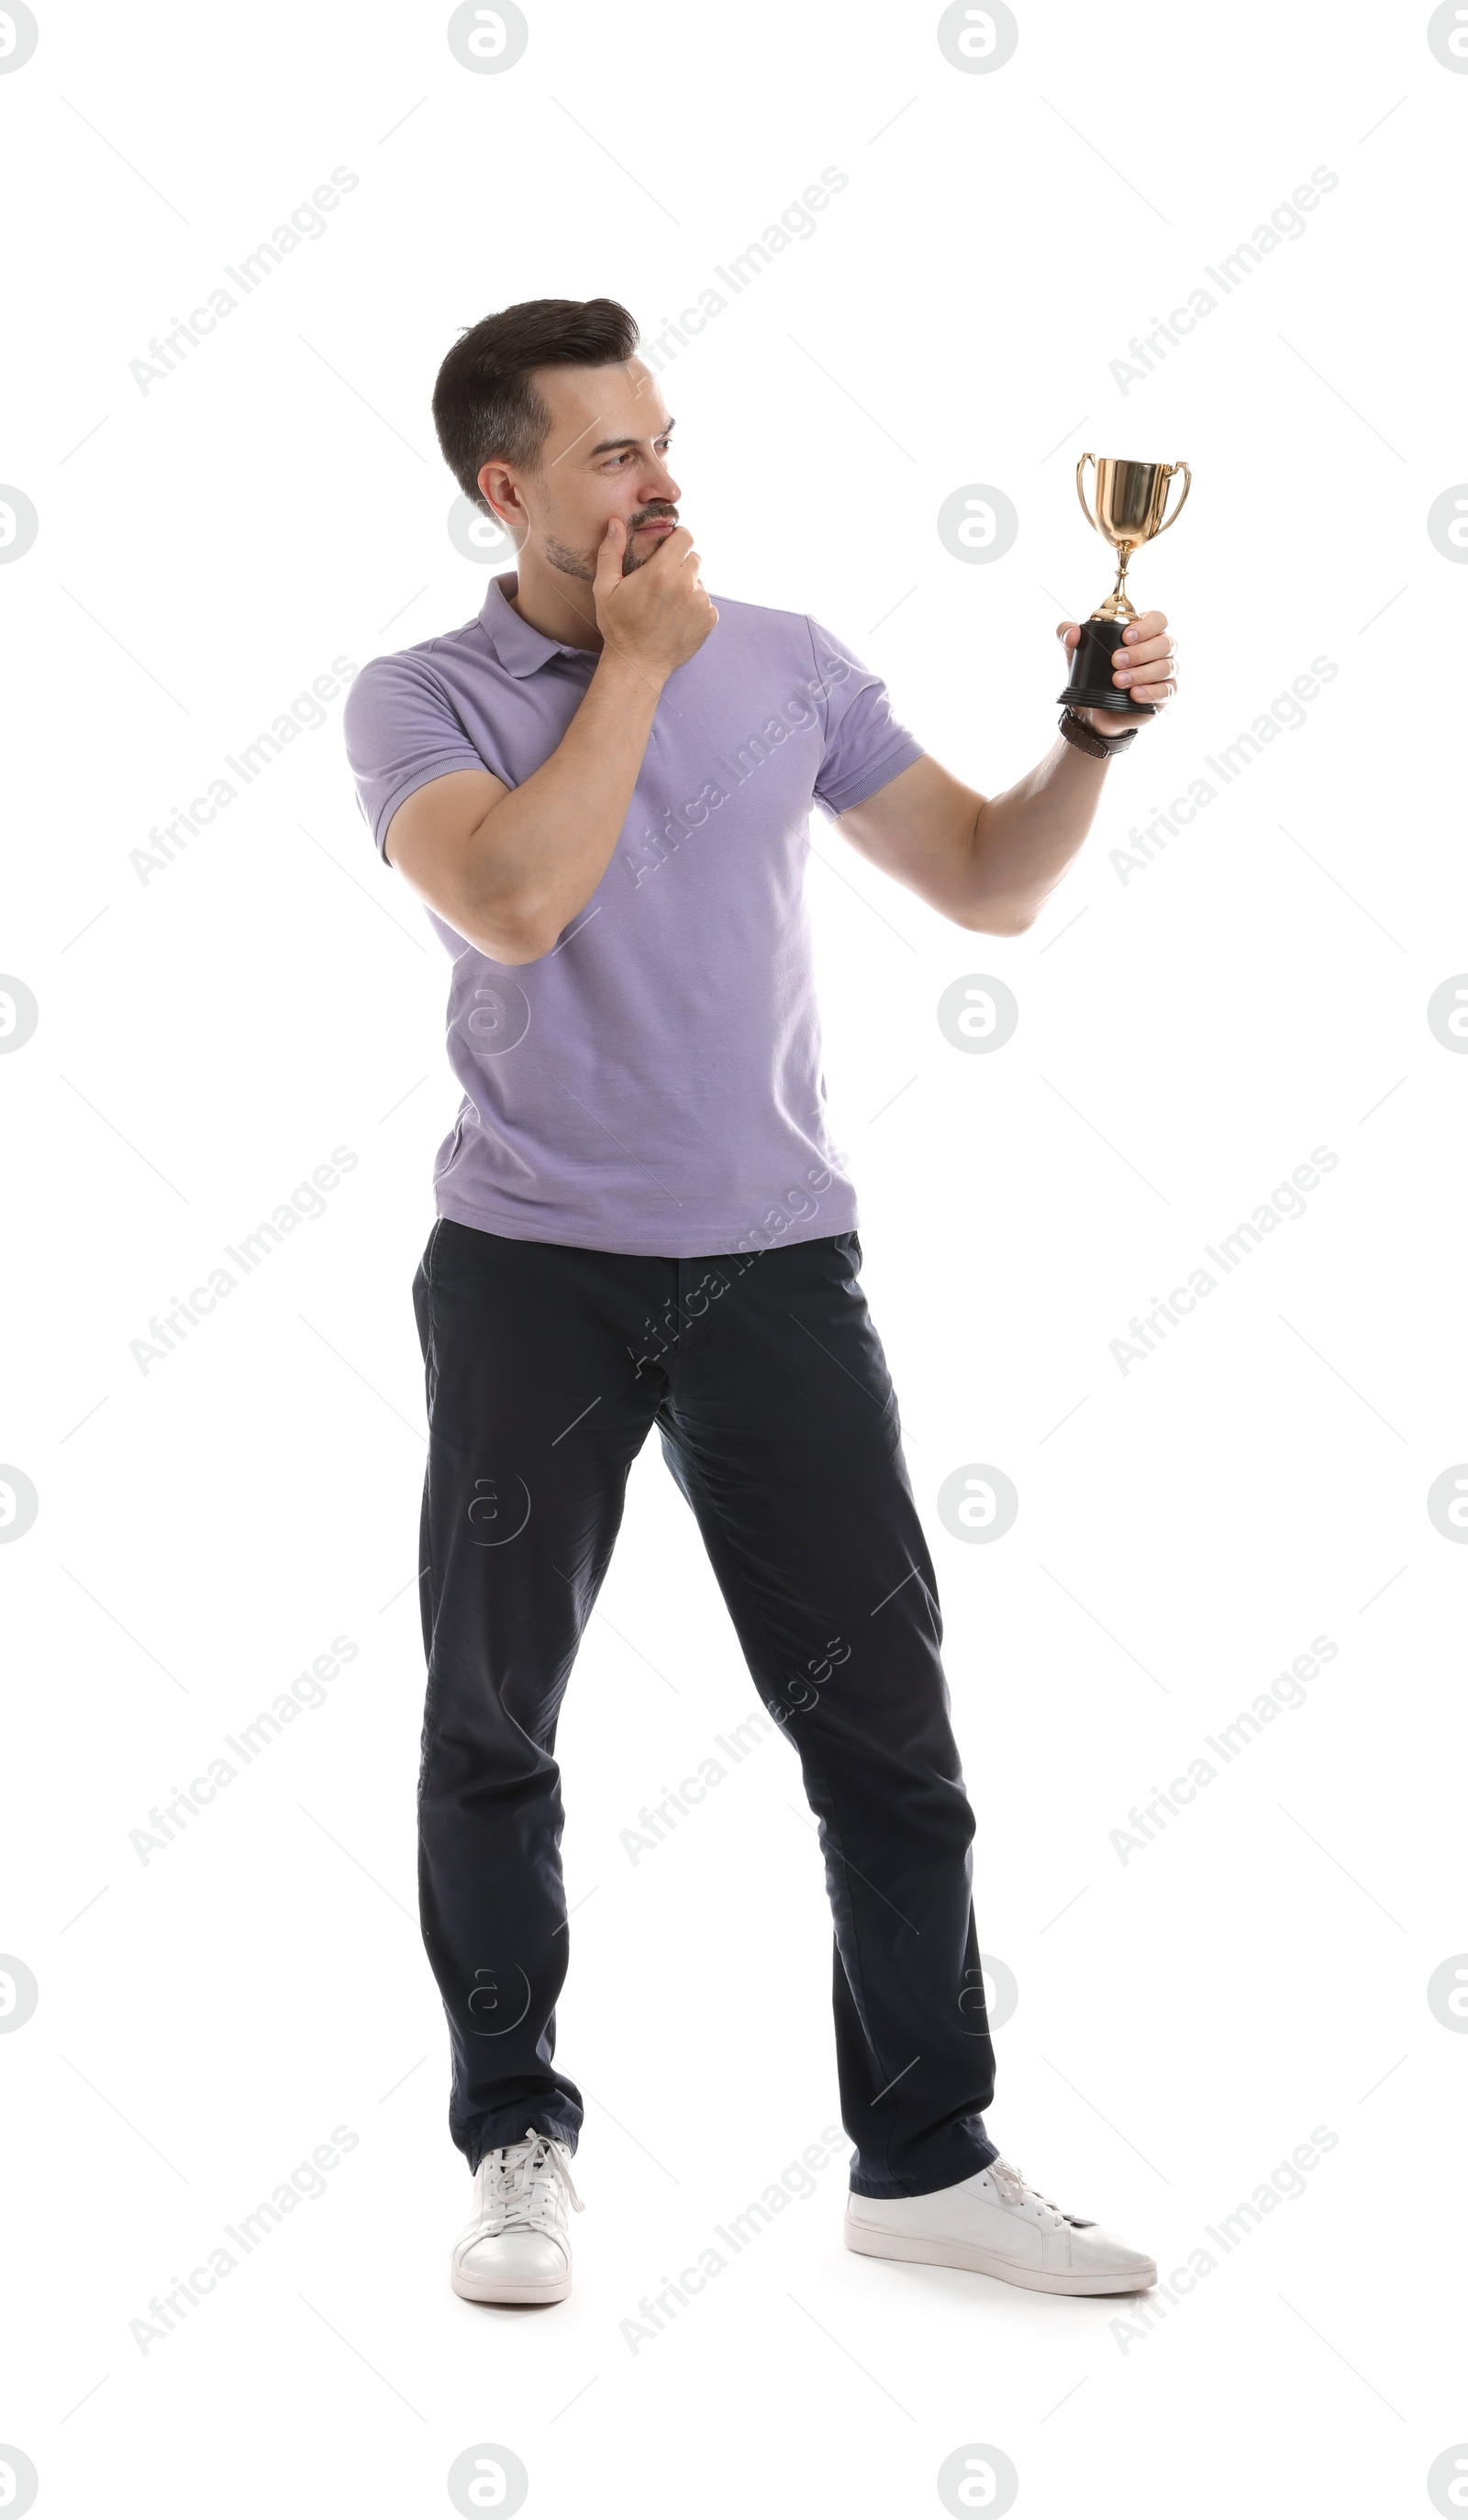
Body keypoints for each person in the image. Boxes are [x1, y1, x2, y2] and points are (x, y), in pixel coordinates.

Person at [342, 296, 1177, 2308]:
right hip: (527, 1273)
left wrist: (1083, 742)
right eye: (611, 455)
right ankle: (516, 2142)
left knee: (886, 1739)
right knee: (493, 1729)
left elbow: (982, 878)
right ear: (505, 488)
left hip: (770, 1270)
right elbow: (519, 898)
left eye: (662, 440)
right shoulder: (421, 697)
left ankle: (922, 2159)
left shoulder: (787, 664)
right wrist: (630, 668)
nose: (659, 483)